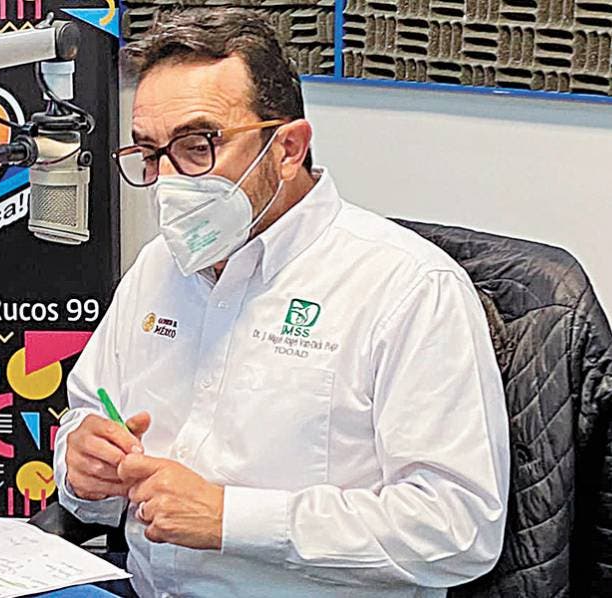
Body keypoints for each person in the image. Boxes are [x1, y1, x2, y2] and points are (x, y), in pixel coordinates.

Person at [52, 8, 510, 597]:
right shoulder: (158, 267)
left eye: (197, 146)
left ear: (288, 148)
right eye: (150, 153)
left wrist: (231, 520)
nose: (170, 182)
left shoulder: (407, 288)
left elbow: (458, 529)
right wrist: (82, 465)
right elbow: (89, 418)